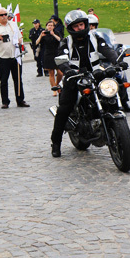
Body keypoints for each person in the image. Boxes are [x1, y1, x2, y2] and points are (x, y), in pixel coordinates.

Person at [50, 10, 121, 157]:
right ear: (70, 28)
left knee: (112, 91)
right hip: (74, 78)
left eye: (81, 24)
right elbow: (61, 59)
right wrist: (67, 70)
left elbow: (107, 50)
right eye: (76, 26)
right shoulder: (66, 42)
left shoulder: (95, 38)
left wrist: (118, 61)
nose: (79, 28)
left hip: (95, 75)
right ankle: (55, 143)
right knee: (64, 109)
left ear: (86, 24)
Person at [0, 8, 30, 109]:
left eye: (5, 14)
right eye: (1, 15)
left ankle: (20, 100)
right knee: (3, 80)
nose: (4, 16)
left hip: (15, 56)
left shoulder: (13, 25)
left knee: (18, 79)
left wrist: (20, 41)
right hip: (2, 57)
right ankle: (5, 101)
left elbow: (20, 37)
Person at [36, 20, 62, 96]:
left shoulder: (56, 32)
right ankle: (54, 89)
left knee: (60, 72)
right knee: (51, 73)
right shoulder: (44, 34)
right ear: (46, 26)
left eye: (51, 25)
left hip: (57, 53)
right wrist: (41, 36)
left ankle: (57, 85)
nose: (50, 26)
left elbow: (61, 40)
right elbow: (36, 43)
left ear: (54, 27)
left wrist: (53, 34)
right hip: (48, 54)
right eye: (48, 25)